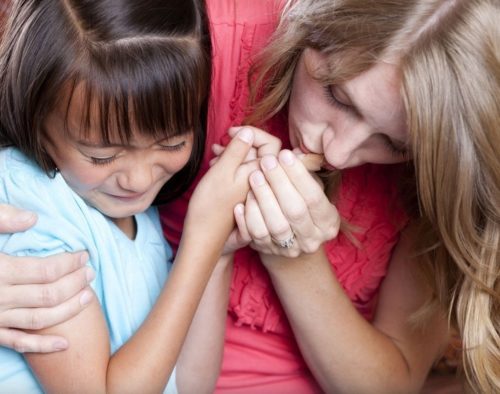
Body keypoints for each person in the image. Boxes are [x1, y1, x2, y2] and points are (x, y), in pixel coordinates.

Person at [1, 0, 499, 393]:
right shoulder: (190, 45)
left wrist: (290, 260)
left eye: (394, 143)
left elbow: (390, 383)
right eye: (336, 95)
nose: (339, 151)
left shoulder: (440, 179)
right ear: (313, 21)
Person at [0, 0, 259, 392]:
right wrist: (199, 245)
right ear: (36, 120)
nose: (138, 179)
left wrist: (217, 252)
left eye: (172, 143)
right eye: (102, 155)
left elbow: (190, 383)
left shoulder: (132, 211)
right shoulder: (30, 207)